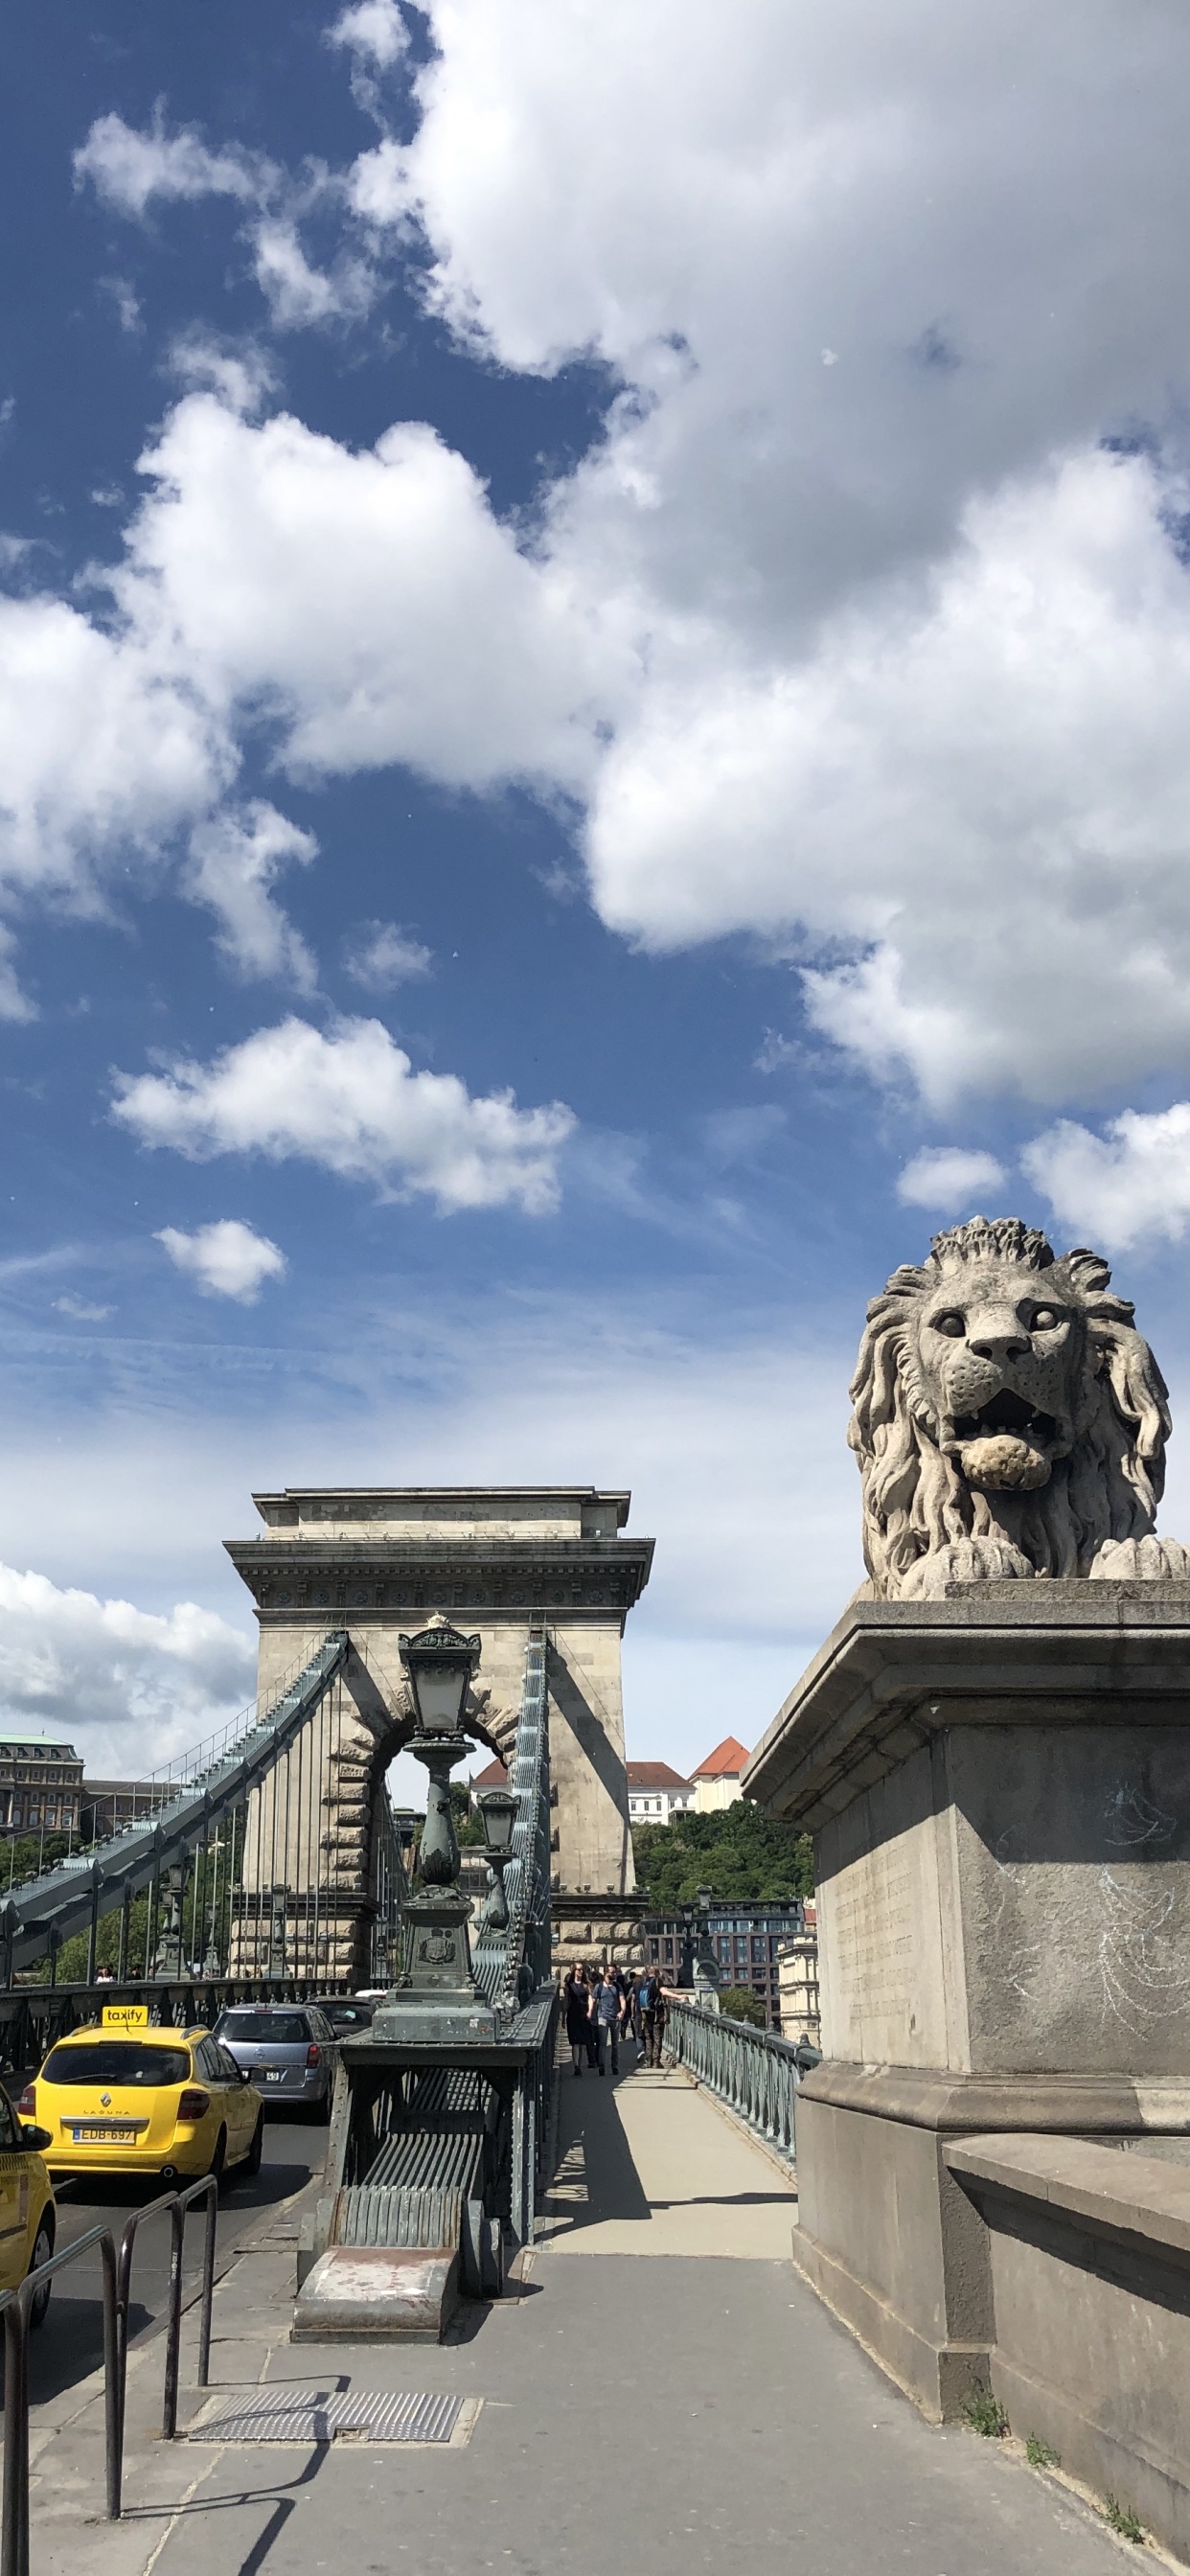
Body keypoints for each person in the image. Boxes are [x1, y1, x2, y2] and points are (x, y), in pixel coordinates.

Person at [563, 1964, 592, 2078]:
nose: (581, 1972)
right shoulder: (569, 1985)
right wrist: (564, 2015)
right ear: (574, 1971)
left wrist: (590, 2011)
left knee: (582, 2044)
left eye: (582, 1970)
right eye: (579, 1969)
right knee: (575, 2042)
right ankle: (576, 2066)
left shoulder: (586, 1985)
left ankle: (579, 2065)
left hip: (583, 2015)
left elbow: (590, 1998)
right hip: (573, 2014)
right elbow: (566, 2000)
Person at [593, 1966, 621, 2076]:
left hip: (615, 2017)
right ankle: (602, 2067)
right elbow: (593, 1999)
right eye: (612, 1972)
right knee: (602, 2043)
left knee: (615, 2044)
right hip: (602, 2017)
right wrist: (591, 2012)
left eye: (615, 1972)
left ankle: (614, 2066)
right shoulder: (598, 1987)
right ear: (606, 1973)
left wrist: (622, 2011)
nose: (614, 1974)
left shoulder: (617, 1986)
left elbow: (622, 1999)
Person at [637, 1966, 662, 2068]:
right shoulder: (657, 1981)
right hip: (656, 2013)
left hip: (645, 2013)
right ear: (656, 1972)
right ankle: (656, 2061)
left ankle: (648, 2061)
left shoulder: (644, 1982)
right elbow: (663, 1994)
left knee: (648, 2037)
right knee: (657, 2037)